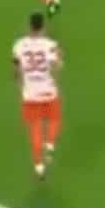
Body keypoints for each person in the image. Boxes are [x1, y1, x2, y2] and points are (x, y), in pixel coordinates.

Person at [12, 11, 63, 177]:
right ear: (43, 26)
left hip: (30, 94)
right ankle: (49, 143)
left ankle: (39, 167)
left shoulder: (19, 45)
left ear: (30, 26)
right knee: (55, 120)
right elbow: (57, 65)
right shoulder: (50, 45)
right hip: (48, 91)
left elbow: (16, 69)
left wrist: (19, 85)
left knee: (34, 129)